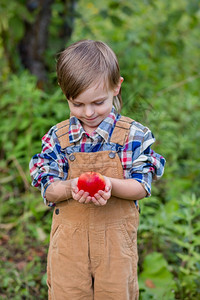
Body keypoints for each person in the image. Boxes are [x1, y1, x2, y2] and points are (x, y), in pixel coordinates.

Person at [29, 39, 165, 300]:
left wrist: (110, 185)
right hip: (69, 247)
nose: (89, 112)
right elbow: (48, 187)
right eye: (77, 104)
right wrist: (71, 187)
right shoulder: (58, 137)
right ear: (64, 92)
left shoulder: (134, 135)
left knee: (116, 294)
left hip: (116, 248)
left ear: (117, 86)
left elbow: (141, 186)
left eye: (98, 102)